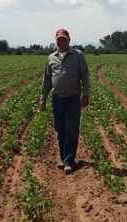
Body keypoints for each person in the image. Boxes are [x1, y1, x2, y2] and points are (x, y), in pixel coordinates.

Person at [39, 28, 90, 174]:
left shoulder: (78, 55)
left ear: (69, 40)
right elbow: (47, 79)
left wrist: (86, 95)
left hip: (73, 99)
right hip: (57, 99)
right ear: (56, 41)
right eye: (59, 39)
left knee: (71, 130)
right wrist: (43, 97)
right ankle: (64, 158)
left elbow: (85, 75)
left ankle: (69, 161)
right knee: (60, 130)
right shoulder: (51, 57)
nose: (61, 42)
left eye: (64, 39)